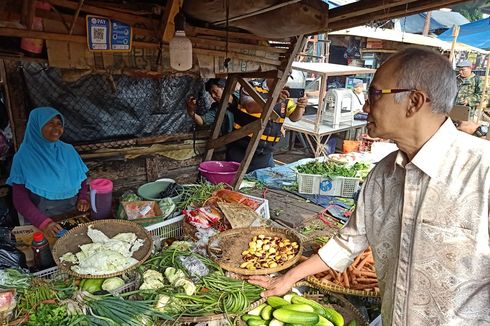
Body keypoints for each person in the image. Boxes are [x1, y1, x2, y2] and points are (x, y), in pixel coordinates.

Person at [249, 48, 490, 325]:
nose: (365, 107)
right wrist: (287, 278)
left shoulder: (483, 171)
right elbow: (349, 241)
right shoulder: (382, 175)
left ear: (413, 101)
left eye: (374, 94)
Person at [7, 107, 89, 237]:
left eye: (59, 124)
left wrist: (83, 197)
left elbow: (81, 178)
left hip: (72, 214)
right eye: (50, 123)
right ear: (36, 126)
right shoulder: (23, 157)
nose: (56, 128)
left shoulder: (68, 150)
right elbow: (20, 199)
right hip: (40, 220)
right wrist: (43, 223)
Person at [226, 78, 307, 172]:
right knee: (234, 180)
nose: (284, 80)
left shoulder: (285, 94)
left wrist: (300, 107)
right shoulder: (252, 86)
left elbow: (294, 118)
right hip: (241, 149)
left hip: (264, 153)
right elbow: (250, 107)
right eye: (283, 76)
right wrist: (275, 100)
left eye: (287, 77)